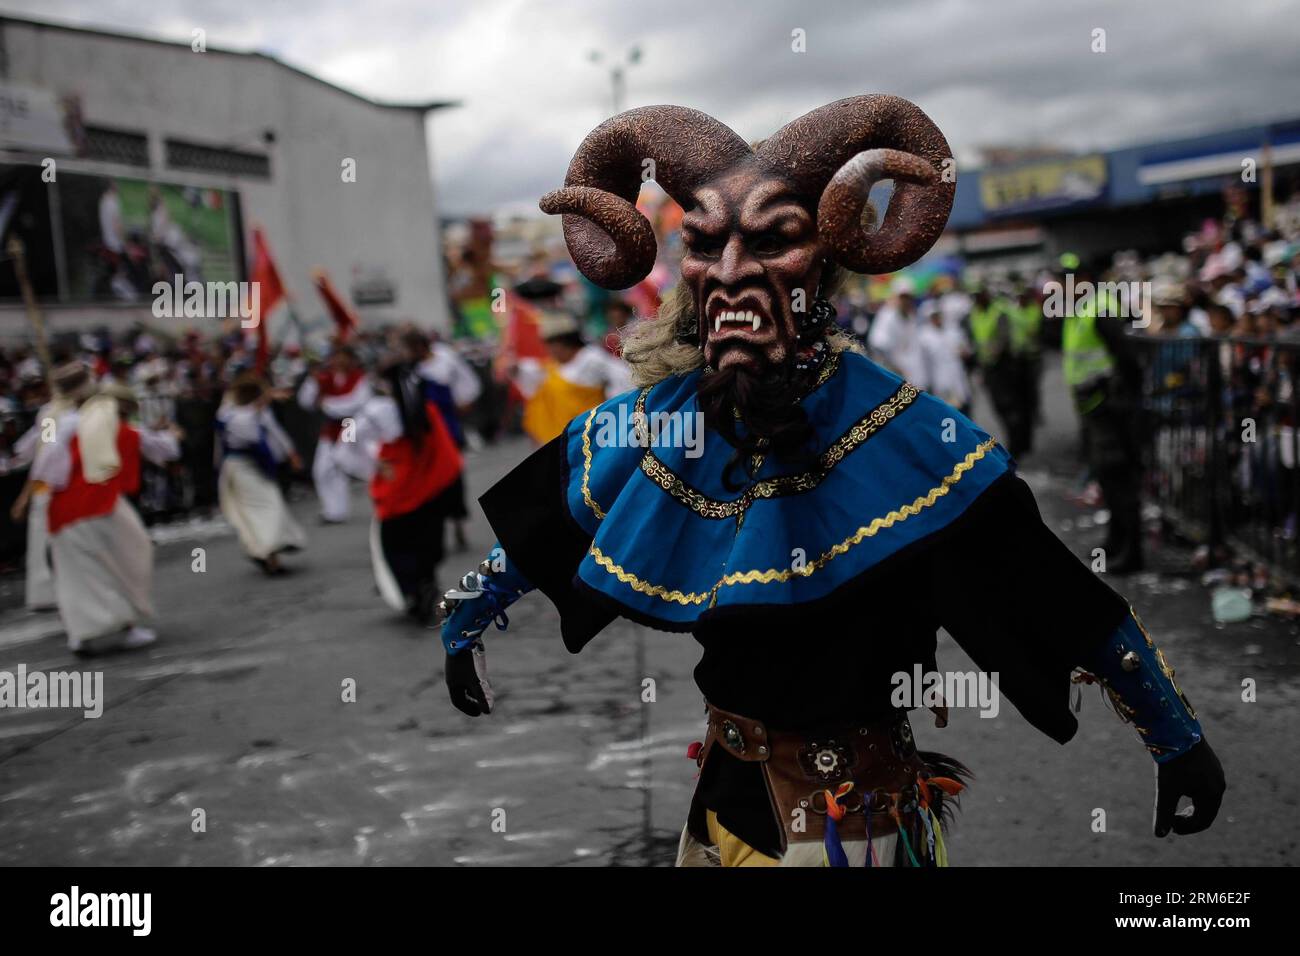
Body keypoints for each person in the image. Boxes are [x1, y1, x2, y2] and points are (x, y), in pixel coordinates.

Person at [435, 96, 1224, 867]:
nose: (734, 272)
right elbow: (560, 517)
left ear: (826, 258)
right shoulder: (672, 420)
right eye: (707, 245)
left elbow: (1058, 595)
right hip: (723, 799)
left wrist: (1175, 739)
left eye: (773, 241)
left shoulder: (910, 438)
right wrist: (467, 615)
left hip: (849, 826)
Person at [32, 362, 181, 654]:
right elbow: (161, 448)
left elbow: (45, 465)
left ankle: (81, 634)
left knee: (75, 574)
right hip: (99, 505)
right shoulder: (105, 420)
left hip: (63, 509)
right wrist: (172, 436)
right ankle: (127, 625)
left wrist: (38, 495)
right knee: (125, 559)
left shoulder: (56, 419)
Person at [348, 361, 464, 621]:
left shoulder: (372, 411)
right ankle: (426, 584)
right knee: (427, 540)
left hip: (398, 487)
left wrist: (370, 464)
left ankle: (413, 590)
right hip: (428, 485)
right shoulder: (422, 408)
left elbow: (346, 442)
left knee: (397, 545)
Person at [1062, 268, 1145, 573]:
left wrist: (1121, 398)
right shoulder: (1081, 309)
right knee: (1108, 478)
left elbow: (1127, 359)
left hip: (1110, 409)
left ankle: (1132, 552)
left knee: (1120, 478)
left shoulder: (1100, 307)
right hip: (1094, 409)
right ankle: (1116, 539)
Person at [216, 373, 306, 575]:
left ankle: (271, 552)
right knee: (264, 507)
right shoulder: (236, 417)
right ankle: (267, 553)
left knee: (269, 505)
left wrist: (290, 453)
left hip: (256, 467)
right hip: (240, 468)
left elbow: (275, 433)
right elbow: (253, 437)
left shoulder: (253, 413)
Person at [512, 311, 631, 445]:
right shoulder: (553, 366)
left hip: (591, 434)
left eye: (552, 344)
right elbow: (532, 374)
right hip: (562, 438)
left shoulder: (591, 358)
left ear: (566, 342)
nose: (549, 350)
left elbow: (622, 377)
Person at [297, 345, 371, 523]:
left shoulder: (359, 378)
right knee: (322, 470)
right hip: (330, 428)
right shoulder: (324, 377)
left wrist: (328, 405)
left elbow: (356, 403)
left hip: (350, 425)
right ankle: (334, 510)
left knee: (348, 465)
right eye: (336, 356)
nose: (339, 361)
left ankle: (381, 496)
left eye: (343, 356)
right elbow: (306, 402)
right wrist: (312, 381)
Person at [867, 276, 924, 382]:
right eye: (903, 297)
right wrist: (895, 364)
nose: (906, 301)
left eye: (909, 297)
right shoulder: (887, 315)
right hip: (893, 373)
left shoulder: (911, 317)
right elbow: (878, 342)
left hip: (912, 373)